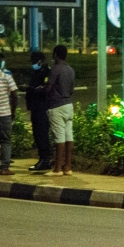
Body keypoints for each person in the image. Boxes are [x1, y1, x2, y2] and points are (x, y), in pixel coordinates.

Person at [45, 44, 75, 176]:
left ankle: (57, 168)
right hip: (69, 105)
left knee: (59, 137)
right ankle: (67, 167)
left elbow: (49, 88)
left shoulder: (55, 69)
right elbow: (72, 89)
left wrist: (40, 90)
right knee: (69, 136)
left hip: (56, 105)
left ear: (55, 55)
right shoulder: (71, 70)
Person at [26, 51, 52, 171]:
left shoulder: (46, 72)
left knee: (42, 134)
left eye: (34, 62)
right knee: (37, 134)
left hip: (41, 107)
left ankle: (45, 160)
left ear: (40, 61)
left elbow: (45, 89)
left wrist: (30, 89)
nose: (32, 64)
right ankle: (42, 159)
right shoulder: (36, 72)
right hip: (35, 107)